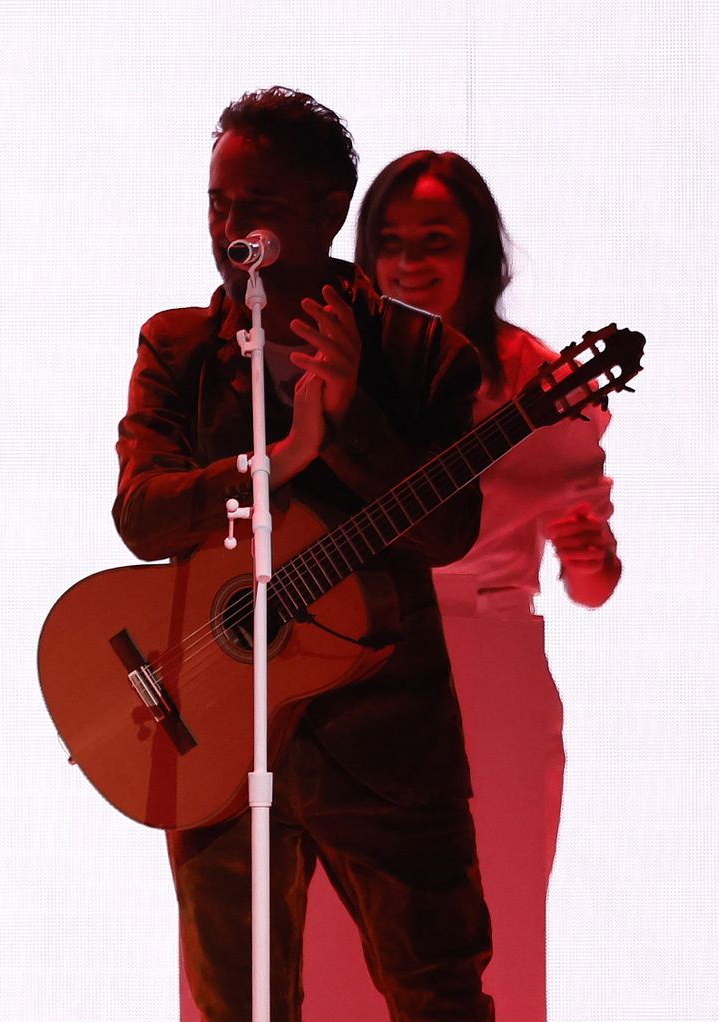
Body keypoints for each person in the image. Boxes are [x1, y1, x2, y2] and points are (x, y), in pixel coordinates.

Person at [112, 89, 495, 1021]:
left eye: (260, 207)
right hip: (214, 733)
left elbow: (449, 532)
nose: (231, 228)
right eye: (217, 203)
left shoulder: (422, 355)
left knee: (437, 991)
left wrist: (353, 415)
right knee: (237, 1003)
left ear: (330, 212)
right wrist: (277, 462)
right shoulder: (179, 348)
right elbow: (143, 519)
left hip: (386, 747)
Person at [301, 150, 620, 1022]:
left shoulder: (540, 380)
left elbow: (592, 586)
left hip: (493, 673)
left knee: (493, 931)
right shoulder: (340, 364)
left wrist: (588, 544)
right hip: (351, 673)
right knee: (336, 949)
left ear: (479, 253)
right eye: (390, 241)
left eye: (434, 241)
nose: (408, 263)